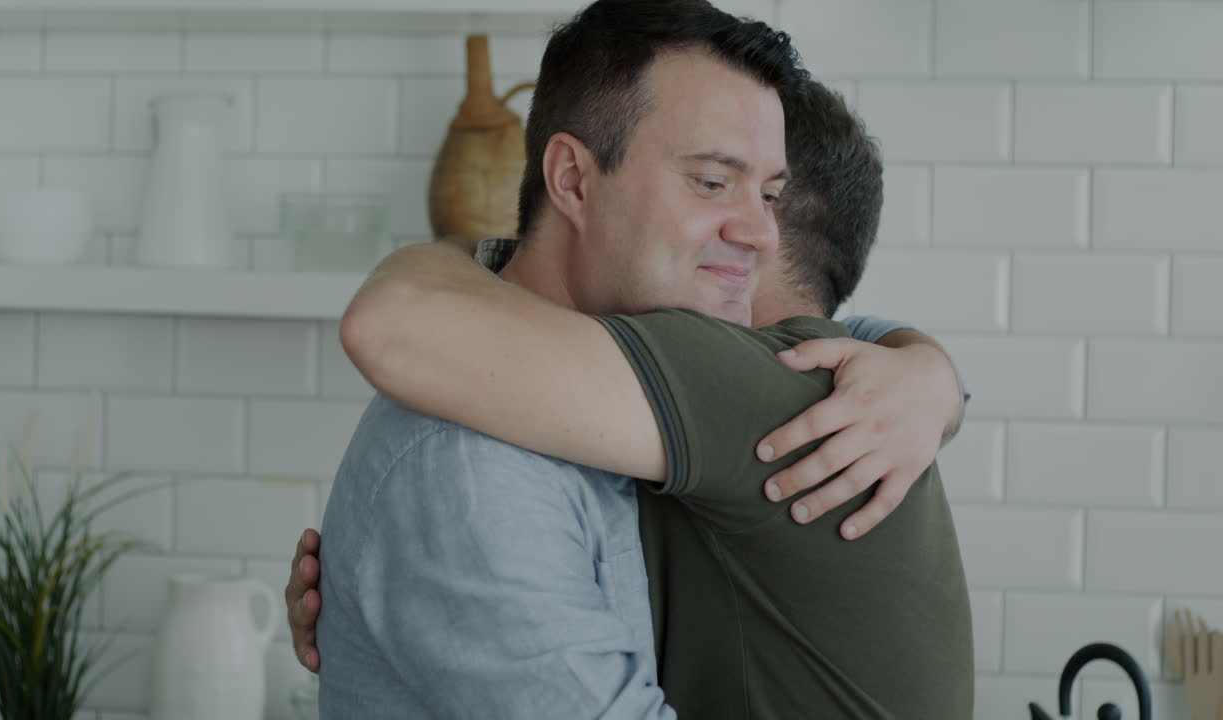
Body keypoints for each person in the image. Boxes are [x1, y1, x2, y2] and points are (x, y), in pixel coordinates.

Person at [307, 1, 970, 717]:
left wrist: (925, 376)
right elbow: (393, 329)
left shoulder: (686, 383)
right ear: (573, 179)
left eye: (771, 195)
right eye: (712, 182)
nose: (761, 233)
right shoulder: (467, 464)